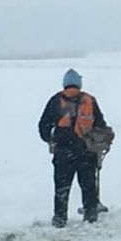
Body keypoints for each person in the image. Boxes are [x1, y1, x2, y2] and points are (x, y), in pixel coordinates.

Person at [38, 68, 110, 227]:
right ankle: (91, 216)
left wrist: (50, 140)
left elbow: (43, 125)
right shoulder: (89, 100)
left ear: (64, 83)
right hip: (86, 151)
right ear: (79, 83)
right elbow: (100, 124)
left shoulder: (56, 100)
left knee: (62, 187)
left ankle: (60, 219)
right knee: (88, 185)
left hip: (63, 152)